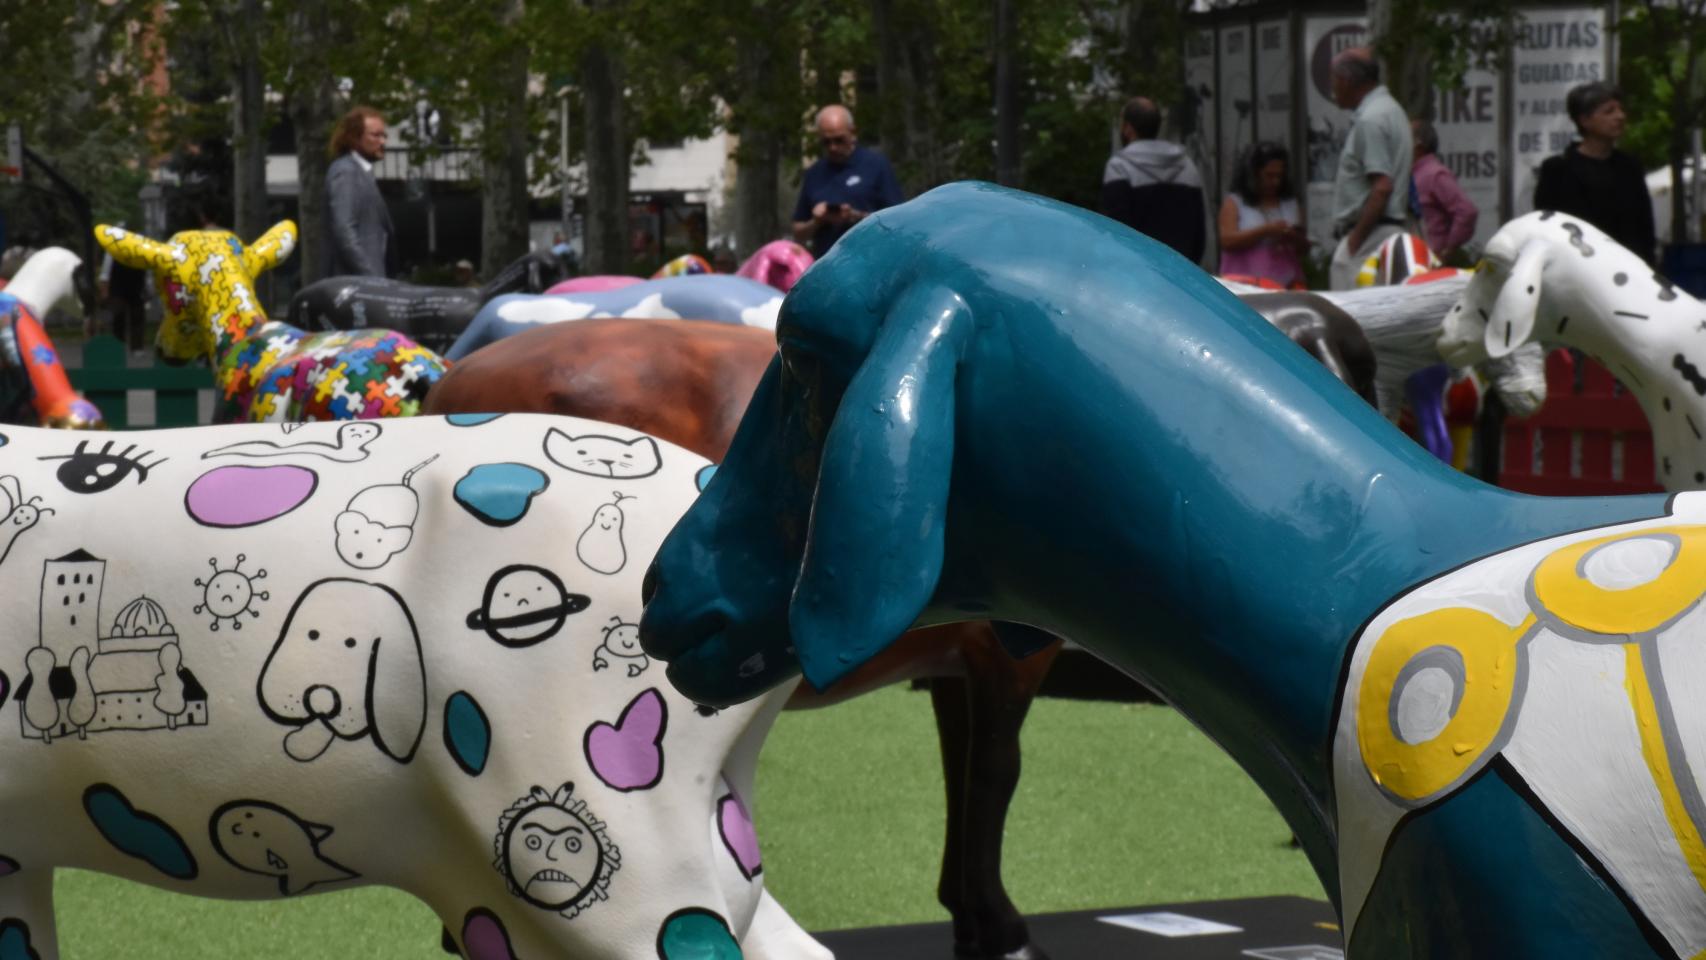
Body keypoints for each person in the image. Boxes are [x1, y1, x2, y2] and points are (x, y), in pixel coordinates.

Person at [1534, 82, 1656, 264]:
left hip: (1627, 267)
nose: (1620, 116)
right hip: (1578, 267)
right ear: (1585, 120)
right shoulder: (1558, 169)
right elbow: (1548, 227)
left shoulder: (1630, 167)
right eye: (1609, 111)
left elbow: (1644, 228)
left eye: (1620, 110)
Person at [1327, 49, 1413, 290]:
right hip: (1384, 232)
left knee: (1347, 309)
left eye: (1334, 80)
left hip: (1369, 236)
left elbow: (1382, 187)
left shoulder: (1371, 119)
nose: (1333, 89)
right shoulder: (1392, 110)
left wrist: (1355, 242)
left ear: (1346, 80)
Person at [1100, 96, 1207, 263]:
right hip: (1181, 267)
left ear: (1128, 128)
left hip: (1139, 268)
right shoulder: (1186, 165)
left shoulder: (1119, 167)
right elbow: (1199, 231)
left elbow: (1117, 229)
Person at [791, 105, 904, 258]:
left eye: (839, 140)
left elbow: (897, 221)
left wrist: (855, 216)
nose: (833, 147)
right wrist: (817, 221)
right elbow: (798, 232)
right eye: (826, 142)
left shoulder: (876, 166)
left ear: (852, 132)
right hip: (827, 261)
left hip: (870, 257)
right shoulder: (814, 174)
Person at [1216, 141, 1306, 287]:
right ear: (1254, 174)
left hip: (1285, 283)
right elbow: (1227, 241)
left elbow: (1302, 248)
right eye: (1269, 176)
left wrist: (1292, 237)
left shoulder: (1290, 203)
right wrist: (1265, 231)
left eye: (1279, 176)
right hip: (1245, 285)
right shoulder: (1235, 202)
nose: (1275, 182)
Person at [323, 106, 395, 278]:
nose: (383, 142)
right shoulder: (346, 172)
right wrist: (371, 277)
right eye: (375, 135)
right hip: (359, 285)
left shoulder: (361, 172)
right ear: (354, 138)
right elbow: (344, 231)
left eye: (384, 136)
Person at [1409, 120, 1479, 265]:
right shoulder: (1413, 173)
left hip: (1432, 262)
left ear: (1419, 145)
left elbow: (1467, 211)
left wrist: (1448, 251)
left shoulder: (1434, 174)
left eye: (1405, 136)